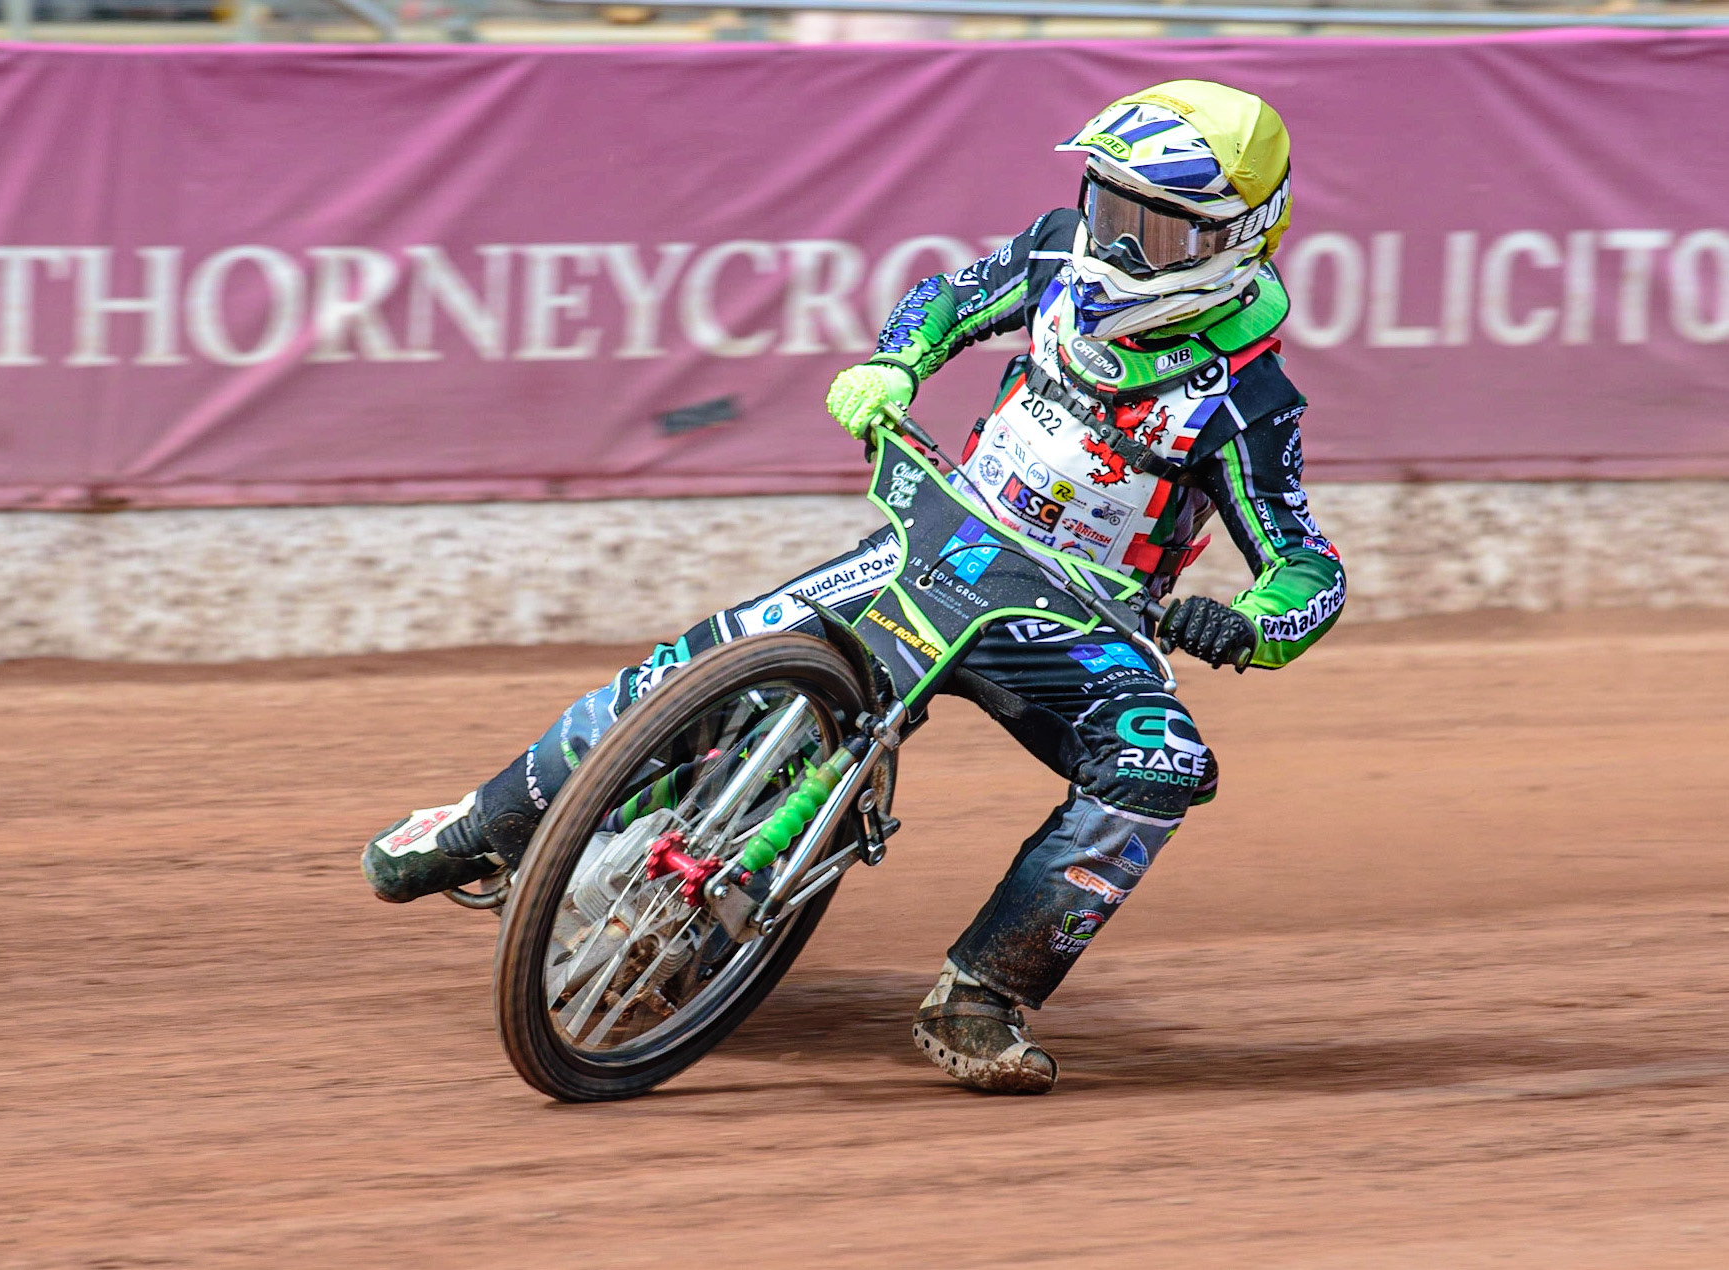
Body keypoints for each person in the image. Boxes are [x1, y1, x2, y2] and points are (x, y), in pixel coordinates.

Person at [362, 80, 1345, 1094]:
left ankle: (981, 994)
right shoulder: (1058, 252)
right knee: (711, 657)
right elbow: (950, 296)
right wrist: (893, 364)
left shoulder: (1245, 399)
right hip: (948, 537)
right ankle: (487, 821)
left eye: (1156, 232)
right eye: (1109, 208)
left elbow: (1305, 564)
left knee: (1160, 765)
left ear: (1235, 239)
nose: (1116, 246)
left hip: (1081, 623)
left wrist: (1248, 623)